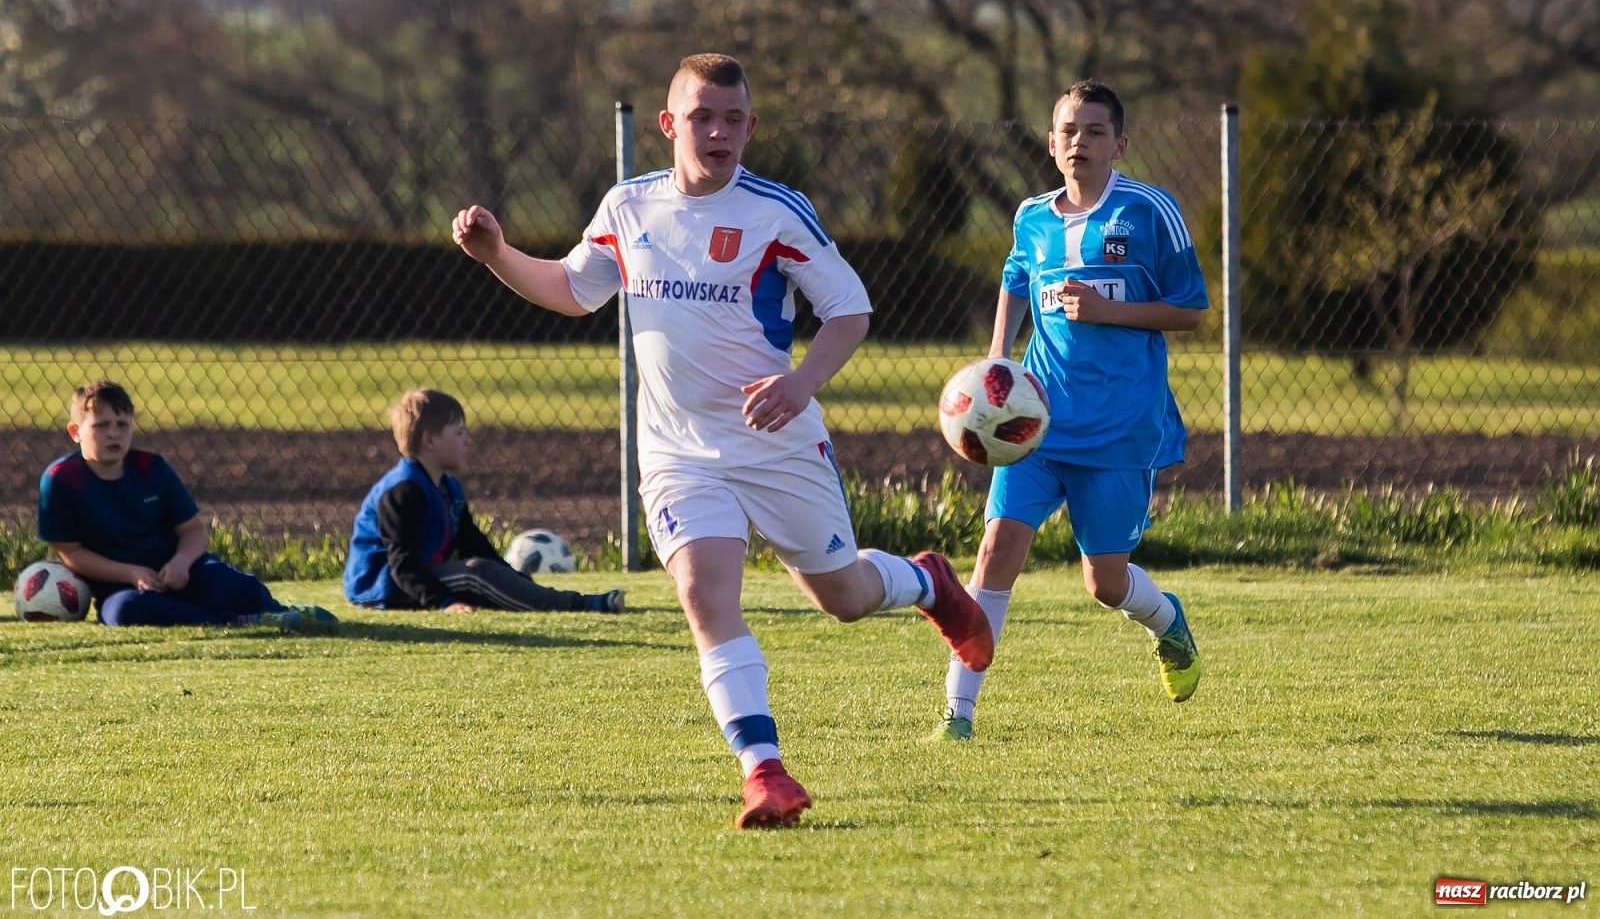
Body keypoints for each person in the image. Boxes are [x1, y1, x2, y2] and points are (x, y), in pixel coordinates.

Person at [452, 53, 993, 829]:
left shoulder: (777, 212)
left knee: (841, 597)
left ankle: (927, 583)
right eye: (703, 117)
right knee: (705, 596)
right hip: (676, 450)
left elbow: (850, 310)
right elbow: (573, 290)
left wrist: (801, 384)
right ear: (670, 125)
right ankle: (765, 773)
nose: (719, 132)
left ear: (751, 127)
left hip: (777, 443)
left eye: (734, 119)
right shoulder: (629, 206)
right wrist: (495, 255)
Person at [927, 80, 1209, 743]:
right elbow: (1014, 279)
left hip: (1121, 428)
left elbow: (1192, 310)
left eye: (1094, 131)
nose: (1079, 142)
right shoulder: (1032, 216)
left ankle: (1168, 621)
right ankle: (957, 713)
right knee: (995, 550)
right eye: (1068, 130)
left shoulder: (1149, 212)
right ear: (1052, 143)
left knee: (1104, 583)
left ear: (1119, 144)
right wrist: (997, 361)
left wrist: (1111, 311)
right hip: (1037, 423)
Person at [37, 380, 337, 631]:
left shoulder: (151, 467)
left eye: (122, 424)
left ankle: (282, 613)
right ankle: (235, 622)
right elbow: (71, 554)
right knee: (126, 612)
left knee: (238, 588)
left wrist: (180, 562)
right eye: (101, 425)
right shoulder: (61, 478)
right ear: (75, 432)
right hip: (123, 586)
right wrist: (131, 574)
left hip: (182, 569)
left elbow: (193, 531)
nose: (114, 433)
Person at [345, 388, 624, 615]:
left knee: (483, 569)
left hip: (417, 579)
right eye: (458, 433)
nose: (467, 440)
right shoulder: (403, 491)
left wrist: (514, 579)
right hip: (384, 584)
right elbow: (402, 564)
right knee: (475, 574)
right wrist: (444, 602)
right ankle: (583, 604)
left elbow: (473, 543)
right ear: (429, 440)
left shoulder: (448, 486)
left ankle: (551, 598)